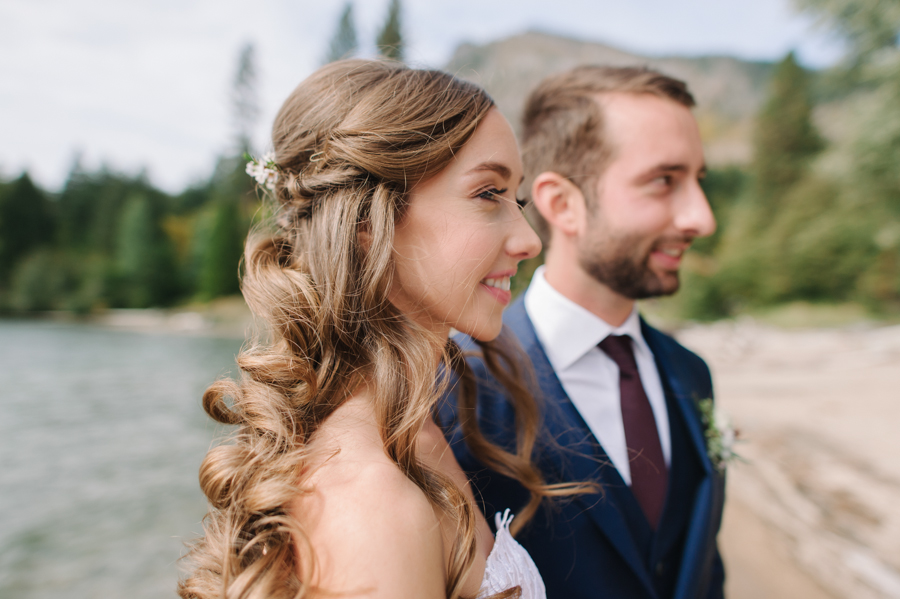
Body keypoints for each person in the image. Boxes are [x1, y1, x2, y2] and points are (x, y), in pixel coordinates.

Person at [178, 59, 585, 599]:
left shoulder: (418, 432)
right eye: (489, 194)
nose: (530, 241)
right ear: (369, 221)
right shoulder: (371, 508)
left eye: (519, 200)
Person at [445, 66, 726, 599]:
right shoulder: (454, 386)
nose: (701, 218)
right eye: (665, 181)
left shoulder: (692, 374)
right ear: (562, 204)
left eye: (699, 181)